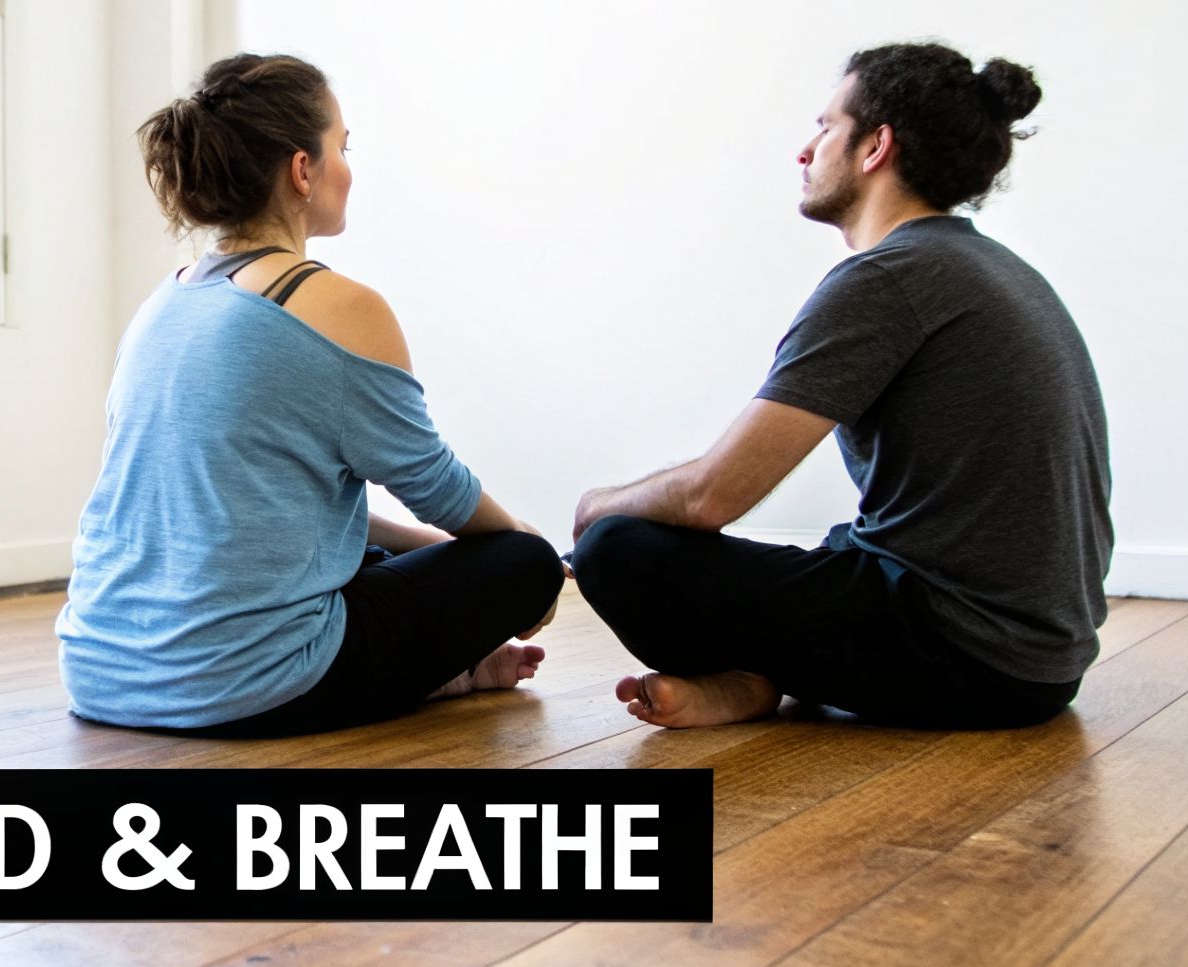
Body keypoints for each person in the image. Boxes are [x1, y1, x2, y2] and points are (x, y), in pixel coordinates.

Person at [570, 42, 1112, 731]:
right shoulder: (992, 267)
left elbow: (713, 494)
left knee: (617, 549)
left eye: (826, 126)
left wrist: (598, 505)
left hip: (976, 660)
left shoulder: (888, 278)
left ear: (875, 146)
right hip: (1045, 661)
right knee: (836, 550)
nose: (806, 149)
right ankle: (754, 680)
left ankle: (756, 677)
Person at [57, 54, 564, 736]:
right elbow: (440, 491)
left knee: (376, 553)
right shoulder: (335, 304)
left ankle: (453, 671)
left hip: (101, 673)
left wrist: (421, 551)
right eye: (342, 147)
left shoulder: (163, 304)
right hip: (245, 687)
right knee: (523, 566)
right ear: (302, 169)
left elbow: (261, 509)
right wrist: (530, 550)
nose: (348, 167)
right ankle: (443, 669)